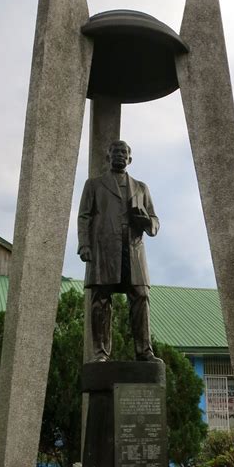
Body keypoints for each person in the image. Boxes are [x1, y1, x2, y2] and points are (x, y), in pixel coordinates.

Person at [77, 140, 159, 362]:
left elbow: (154, 221)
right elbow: (84, 215)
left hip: (133, 249)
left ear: (130, 159)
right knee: (101, 298)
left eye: (124, 152)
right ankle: (100, 353)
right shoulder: (94, 185)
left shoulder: (141, 188)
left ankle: (144, 351)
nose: (120, 155)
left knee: (141, 295)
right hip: (104, 249)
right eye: (115, 151)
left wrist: (144, 220)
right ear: (108, 157)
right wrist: (84, 244)